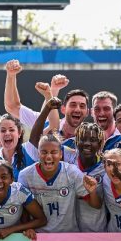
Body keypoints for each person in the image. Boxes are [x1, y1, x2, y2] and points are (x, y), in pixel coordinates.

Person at [18, 98, 101, 233]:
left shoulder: (72, 172)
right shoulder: (25, 175)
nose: (49, 156)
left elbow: (96, 205)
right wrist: (28, 227)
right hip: (38, 238)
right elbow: (22, 209)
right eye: (44, 152)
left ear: (61, 154)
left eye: (54, 152)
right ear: (37, 153)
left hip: (68, 237)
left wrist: (92, 192)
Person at [3, 59, 70, 135]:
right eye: (73, 105)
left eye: (82, 105)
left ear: (86, 112)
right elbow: (12, 106)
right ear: (64, 109)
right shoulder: (44, 123)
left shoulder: (84, 133)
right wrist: (11, 76)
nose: (77, 109)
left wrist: (51, 93)